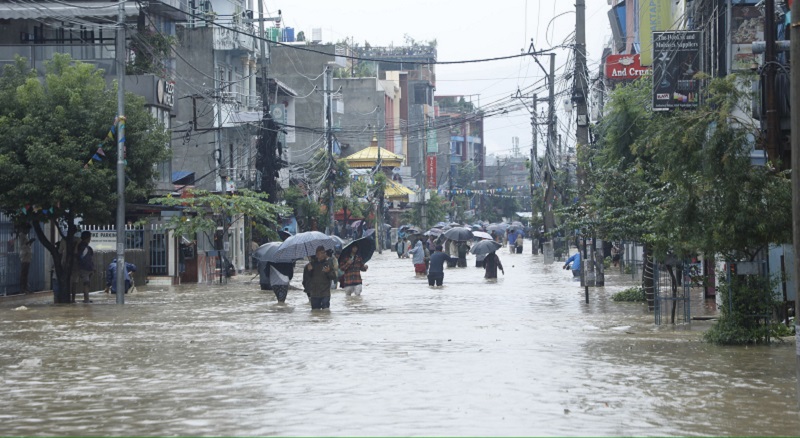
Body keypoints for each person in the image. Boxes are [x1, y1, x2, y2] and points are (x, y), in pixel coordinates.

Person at [303, 246, 337, 310]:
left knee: (326, 312)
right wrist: (310, 271)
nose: (322, 255)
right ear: (316, 255)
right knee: (315, 313)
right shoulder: (310, 265)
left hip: (325, 293)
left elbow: (333, 277)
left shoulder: (328, 264)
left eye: (323, 253)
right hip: (314, 294)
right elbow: (307, 279)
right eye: (320, 253)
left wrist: (328, 271)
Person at [73, 231, 94, 303]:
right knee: (86, 284)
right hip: (85, 268)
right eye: (90, 238)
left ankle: (86, 298)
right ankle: (86, 299)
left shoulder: (84, 247)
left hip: (86, 268)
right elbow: (80, 257)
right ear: (87, 238)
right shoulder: (83, 247)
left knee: (87, 284)